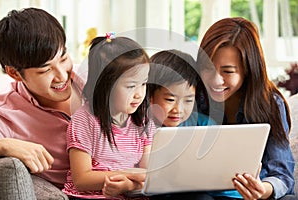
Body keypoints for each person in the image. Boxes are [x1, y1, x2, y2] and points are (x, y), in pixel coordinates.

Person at [197, 17, 296, 199]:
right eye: (208, 68)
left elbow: (282, 176)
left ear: (248, 70)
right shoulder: (192, 98)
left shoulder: (270, 104)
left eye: (227, 71)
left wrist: (262, 189)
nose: (215, 80)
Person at [0, 7, 82, 198]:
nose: (62, 75)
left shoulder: (95, 80)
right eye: (45, 70)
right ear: (14, 73)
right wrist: (2, 145)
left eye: (63, 58)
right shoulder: (6, 114)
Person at [62, 34, 155, 199]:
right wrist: (125, 176)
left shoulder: (143, 121)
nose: (139, 94)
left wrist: (128, 184)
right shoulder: (84, 120)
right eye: (131, 86)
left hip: (131, 193)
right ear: (105, 86)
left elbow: (147, 173)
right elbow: (81, 179)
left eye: (144, 83)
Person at [147, 49, 215, 200]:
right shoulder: (140, 126)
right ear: (150, 96)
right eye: (170, 100)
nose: (178, 110)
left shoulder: (204, 124)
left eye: (188, 100)